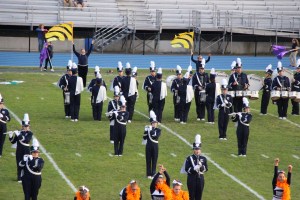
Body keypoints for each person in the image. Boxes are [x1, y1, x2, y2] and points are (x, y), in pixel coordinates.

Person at [9, 113, 33, 182]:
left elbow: (26, 140)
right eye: (25, 126)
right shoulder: (19, 132)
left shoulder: (30, 133)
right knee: (19, 163)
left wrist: (19, 135)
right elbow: (13, 142)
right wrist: (11, 136)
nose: (26, 127)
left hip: (26, 150)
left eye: (27, 126)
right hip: (19, 150)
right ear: (22, 126)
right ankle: (19, 177)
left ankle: (26, 177)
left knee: (26, 163)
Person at [185, 134, 208, 200]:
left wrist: (201, 167)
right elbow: (187, 169)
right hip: (191, 178)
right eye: (196, 149)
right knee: (191, 196)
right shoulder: (189, 158)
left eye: (198, 149)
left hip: (200, 178)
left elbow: (206, 169)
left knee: (199, 196)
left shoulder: (203, 158)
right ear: (193, 150)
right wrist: (194, 168)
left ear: (200, 150)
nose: (197, 151)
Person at [143, 111, 161, 179]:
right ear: (151, 123)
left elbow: (155, 136)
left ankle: (153, 173)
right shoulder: (148, 129)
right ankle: (148, 174)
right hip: (148, 146)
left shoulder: (158, 130)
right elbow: (144, 137)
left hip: (155, 146)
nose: (155, 124)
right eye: (153, 123)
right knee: (148, 159)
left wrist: (150, 130)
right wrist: (145, 131)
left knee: (154, 159)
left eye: (155, 123)